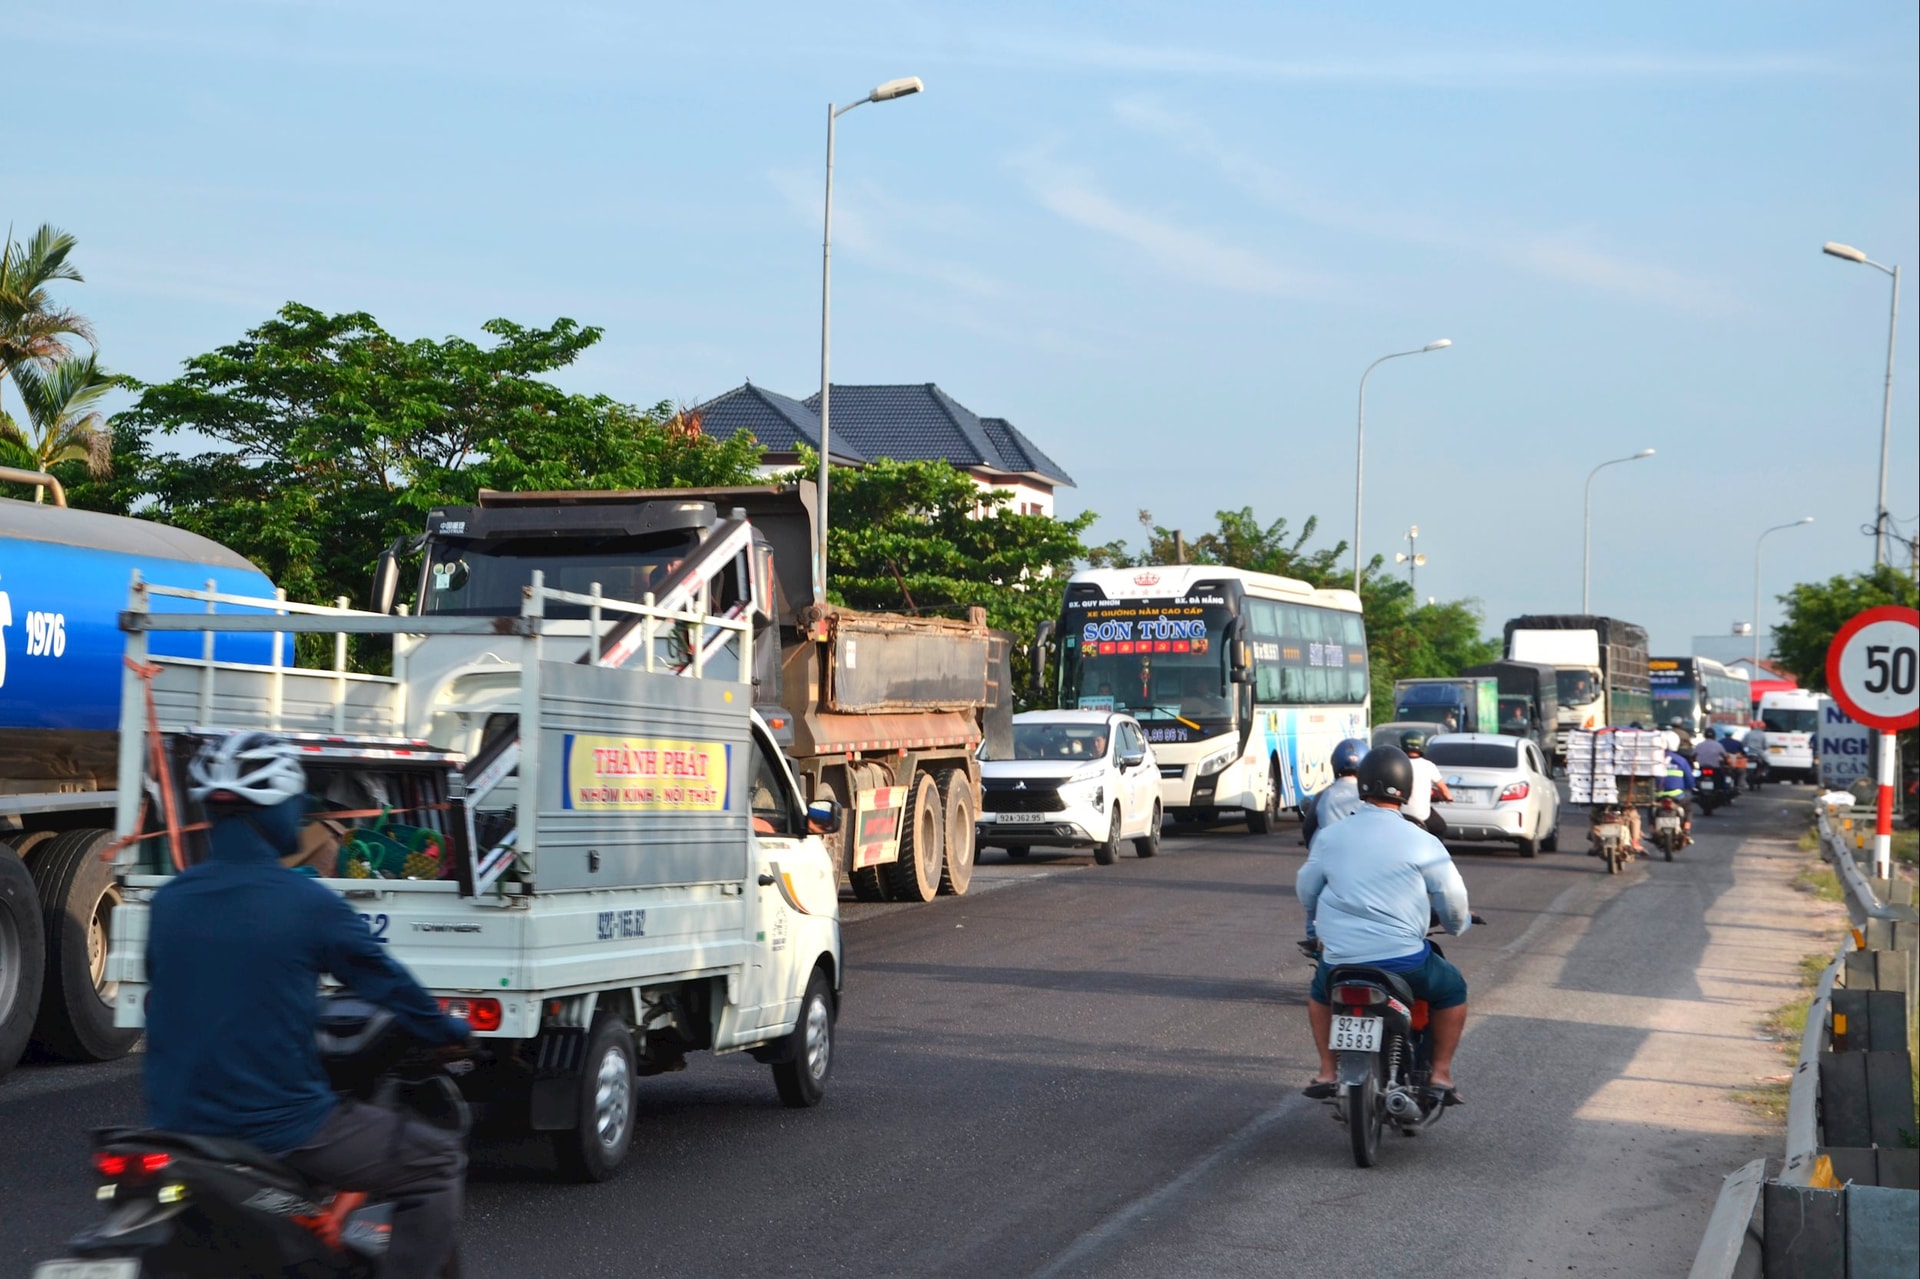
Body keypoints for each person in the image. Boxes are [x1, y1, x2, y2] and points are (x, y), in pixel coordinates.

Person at [145, 732, 473, 1278]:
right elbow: (388, 984)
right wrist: (446, 1029)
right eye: (298, 803)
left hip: (175, 1124)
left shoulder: (170, 900)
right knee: (436, 1162)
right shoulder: (307, 903)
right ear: (274, 812)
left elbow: (168, 996)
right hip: (280, 1127)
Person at [1297, 747, 1473, 1104]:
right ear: (1406, 788)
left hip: (1341, 963)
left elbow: (1306, 891)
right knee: (1453, 990)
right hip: (1403, 961)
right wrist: (1457, 925)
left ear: (1362, 785)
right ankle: (1440, 1072)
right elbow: (1452, 900)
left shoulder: (1332, 837)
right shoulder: (1424, 841)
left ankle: (1328, 1070)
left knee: (1319, 995)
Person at [1399, 729, 1453, 839]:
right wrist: (1448, 798)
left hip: (1400, 814)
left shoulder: (1398, 764)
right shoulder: (1429, 766)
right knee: (1440, 828)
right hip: (1422, 816)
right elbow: (1444, 790)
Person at [1652, 747, 1695, 841]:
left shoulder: (1654, 758)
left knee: (1650, 810)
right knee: (1688, 809)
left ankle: (1652, 829)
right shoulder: (1681, 760)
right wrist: (1690, 787)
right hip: (1677, 795)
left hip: (1658, 795)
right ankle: (1687, 829)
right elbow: (1689, 780)